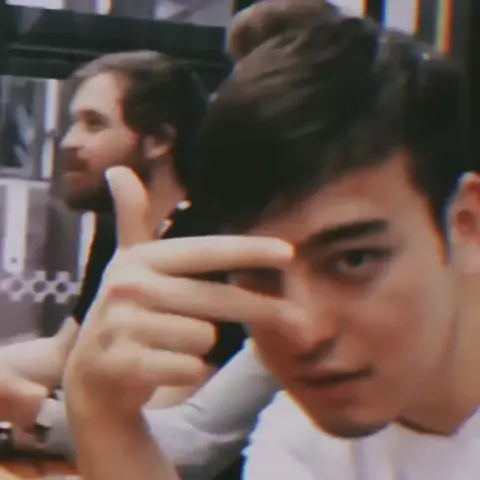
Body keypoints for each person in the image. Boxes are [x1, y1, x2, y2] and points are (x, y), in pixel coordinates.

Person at [63, 2, 480, 480]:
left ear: (466, 224)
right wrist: (99, 409)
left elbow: (196, 434)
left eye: (354, 260)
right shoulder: (302, 432)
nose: (304, 329)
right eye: (259, 273)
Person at [0, 50, 246, 439]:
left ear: (159, 140)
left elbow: (158, 426)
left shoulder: (210, 244)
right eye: (74, 123)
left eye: (93, 124)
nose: (69, 141)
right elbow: (66, 353)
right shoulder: (115, 227)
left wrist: (28, 415)